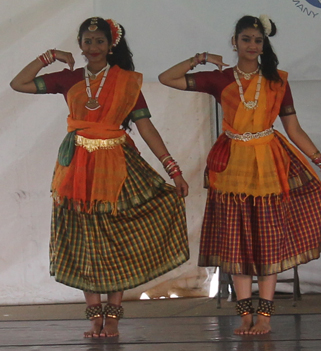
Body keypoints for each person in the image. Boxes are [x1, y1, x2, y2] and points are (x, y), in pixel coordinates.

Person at [10, 17, 190, 338]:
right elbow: (18, 84)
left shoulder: (127, 81)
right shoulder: (70, 78)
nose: (93, 47)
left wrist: (171, 168)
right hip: (76, 167)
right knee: (84, 238)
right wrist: (48, 56)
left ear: (111, 45)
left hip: (117, 165)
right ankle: (95, 317)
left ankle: (114, 317)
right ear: (79, 44)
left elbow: (145, 127)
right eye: (87, 41)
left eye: (100, 42)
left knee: (116, 237)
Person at [159, 15, 321, 335]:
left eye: (258, 40)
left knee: (267, 241)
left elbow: (293, 127)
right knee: (236, 242)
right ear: (234, 43)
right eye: (246, 39)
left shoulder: (277, 80)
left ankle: (264, 315)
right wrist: (200, 59)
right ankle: (244, 315)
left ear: (264, 45)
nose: (252, 45)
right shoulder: (219, 78)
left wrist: (320, 161)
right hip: (232, 168)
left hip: (269, 164)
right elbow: (167, 78)